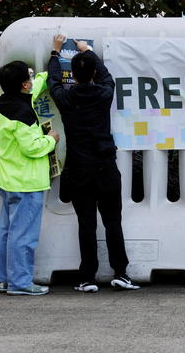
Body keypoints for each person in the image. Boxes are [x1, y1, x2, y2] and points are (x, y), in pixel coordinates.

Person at [47, 35, 139, 293]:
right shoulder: (104, 94)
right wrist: (88, 51)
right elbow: (107, 77)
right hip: (106, 167)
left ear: (73, 76)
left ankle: (87, 277)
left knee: (86, 223)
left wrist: (55, 54)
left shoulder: (65, 99)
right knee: (113, 221)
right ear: (94, 73)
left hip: (79, 170)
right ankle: (121, 273)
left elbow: (53, 81)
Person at [0, 61, 60, 296]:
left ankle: (3, 279)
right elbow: (32, 147)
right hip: (27, 183)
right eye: (29, 77)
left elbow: (34, 87)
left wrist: (52, 61)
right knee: (24, 235)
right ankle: (21, 283)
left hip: (8, 180)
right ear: (23, 85)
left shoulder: (5, 102)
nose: (33, 80)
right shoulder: (24, 114)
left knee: (7, 232)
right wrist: (51, 139)